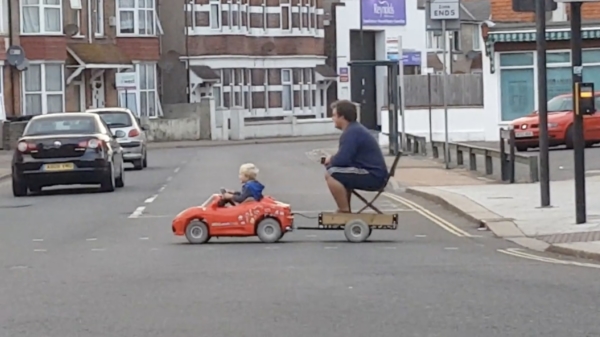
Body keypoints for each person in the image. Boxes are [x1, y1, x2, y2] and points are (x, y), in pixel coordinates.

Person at [323, 100, 388, 213]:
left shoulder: (351, 133)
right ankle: (345, 209)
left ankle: (344, 211)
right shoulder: (354, 130)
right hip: (376, 174)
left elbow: (342, 160)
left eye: (334, 115)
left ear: (342, 116)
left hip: (373, 175)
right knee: (340, 173)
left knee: (331, 173)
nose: (332, 118)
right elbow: (346, 159)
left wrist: (330, 159)